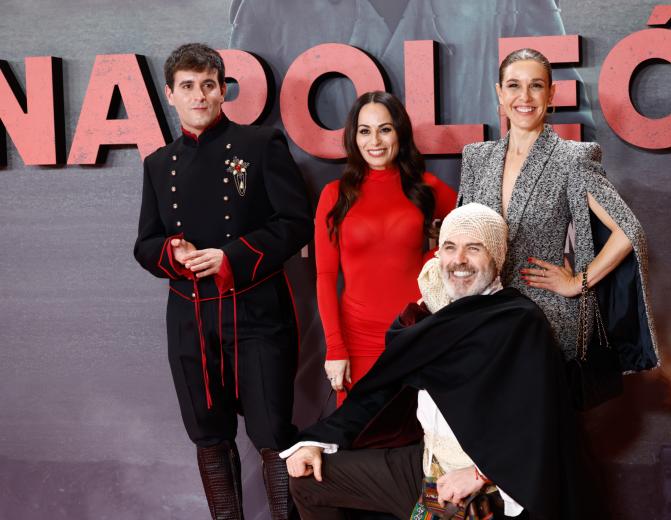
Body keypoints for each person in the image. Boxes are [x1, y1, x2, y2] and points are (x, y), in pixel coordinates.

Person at [284, 203, 593, 520]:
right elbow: (380, 389)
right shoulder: (432, 316)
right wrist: (318, 441)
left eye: (473, 248)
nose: (458, 260)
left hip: (479, 483)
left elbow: (540, 423)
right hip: (426, 464)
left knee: (440, 512)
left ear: (497, 257)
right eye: (449, 247)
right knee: (310, 478)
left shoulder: (518, 322)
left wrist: (480, 475)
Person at [133, 43, 312, 520]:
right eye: (188, 87)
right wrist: (171, 253)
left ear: (222, 90)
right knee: (208, 434)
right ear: (170, 95)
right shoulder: (157, 163)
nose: (199, 96)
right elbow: (145, 243)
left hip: (256, 311)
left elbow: (296, 222)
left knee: (273, 432)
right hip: (189, 317)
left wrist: (230, 255)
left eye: (208, 86)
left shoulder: (260, 144)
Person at [457, 48, 659, 381]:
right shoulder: (477, 158)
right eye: (513, 86)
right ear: (499, 92)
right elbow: (460, 234)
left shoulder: (572, 158)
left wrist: (577, 282)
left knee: (534, 425)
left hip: (544, 313)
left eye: (536, 86)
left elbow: (629, 231)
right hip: (482, 306)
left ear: (551, 94)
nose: (524, 97)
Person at [316, 91, 456, 405]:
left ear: (400, 133)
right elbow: (325, 277)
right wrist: (335, 349)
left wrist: (433, 258)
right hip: (357, 340)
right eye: (365, 131)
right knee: (358, 439)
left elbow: (474, 226)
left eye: (385, 129)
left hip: (413, 333)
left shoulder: (425, 186)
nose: (375, 141)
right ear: (354, 137)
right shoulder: (335, 195)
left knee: (418, 441)